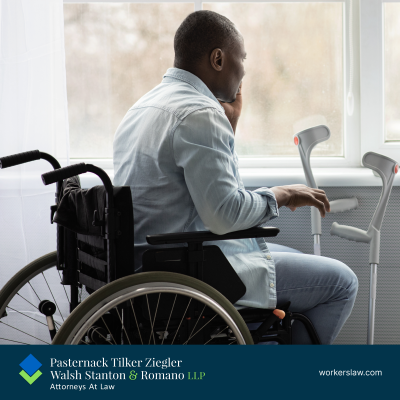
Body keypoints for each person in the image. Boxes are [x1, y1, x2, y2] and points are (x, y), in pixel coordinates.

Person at [113, 10, 358, 344]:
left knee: (298, 259)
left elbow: (194, 192)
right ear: (218, 58)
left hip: (151, 260)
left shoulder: (144, 106)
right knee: (342, 282)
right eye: (241, 58)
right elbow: (224, 214)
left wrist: (229, 126)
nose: (243, 70)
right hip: (186, 272)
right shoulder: (198, 113)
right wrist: (281, 195)